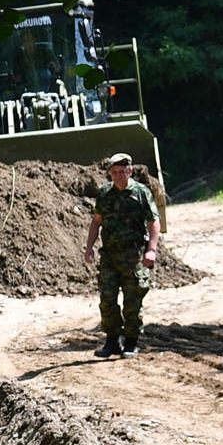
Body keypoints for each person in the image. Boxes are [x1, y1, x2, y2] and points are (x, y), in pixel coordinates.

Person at [82, 152, 160, 358]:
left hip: (134, 258)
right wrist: (89, 247)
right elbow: (96, 221)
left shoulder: (141, 193)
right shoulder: (105, 193)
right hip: (109, 257)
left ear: (130, 171)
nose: (118, 176)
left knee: (132, 302)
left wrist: (151, 250)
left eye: (122, 172)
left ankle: (131, 343)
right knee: (107, 300)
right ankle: (112, 342)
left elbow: (153, 222)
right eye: (114, 172)